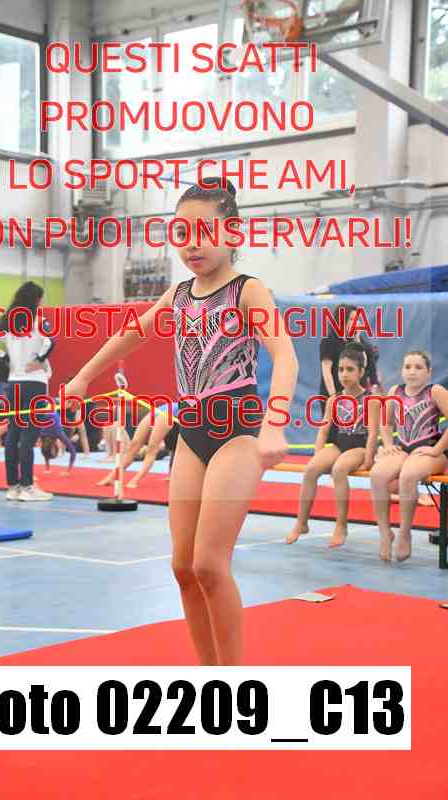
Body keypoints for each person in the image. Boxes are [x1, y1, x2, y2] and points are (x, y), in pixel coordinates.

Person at [65, 178, 298, 666]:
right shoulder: (179, 294)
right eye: (182, 232)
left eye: (204, 231)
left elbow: (285, 356)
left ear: (232, 233)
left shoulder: (248, 291)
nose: (192, 243)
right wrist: (83, 376)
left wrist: (275, 425)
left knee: (210, 564)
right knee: (183, 567)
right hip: (191, 433)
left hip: (237, 432)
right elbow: (132, 335)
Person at [287, 344, 380, 548]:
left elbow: (374, 432)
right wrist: (318, 455)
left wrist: (368, 459)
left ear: (361, 372)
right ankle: (301, 522)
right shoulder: (334, 400)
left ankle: (341, 525)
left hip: (359, 447)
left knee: (339, 469)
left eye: (350, 369)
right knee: (311, 470)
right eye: (341, 369)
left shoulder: (371, 400)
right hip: (339, 445)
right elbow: (323, 431)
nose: (344, 374)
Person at [0, 281, 55, 501]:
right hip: (35, 384)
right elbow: (51, 341)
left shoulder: (8, 321)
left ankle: (13, 486)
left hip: (14, 384)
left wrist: (5, 357)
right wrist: (39, 359)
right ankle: (28, 486)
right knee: (29, 436)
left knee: (13, 434)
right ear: (36, 299)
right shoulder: (39, 320)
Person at [370, 350, 448, 562]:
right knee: (377, 475)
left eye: (418, 367)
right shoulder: (395, 391)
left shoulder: (435, 391)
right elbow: (386, 423)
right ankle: (385, 533)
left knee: (408, 476)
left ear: (429, 372)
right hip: (404, 448)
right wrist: (388, 445)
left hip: (430, 449)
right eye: (407, 367)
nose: (412, 372)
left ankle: (405, 533)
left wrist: (437, 449)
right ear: (401, 370)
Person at [97, 402, 179, 489]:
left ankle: (135, 480)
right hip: (159, 410)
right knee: (133, 446)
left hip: (168, 414)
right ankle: (111, 477)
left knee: (152, 448)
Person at [319, 304, 381, 414]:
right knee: (333, 423)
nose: (355, 323)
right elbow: (326, 370)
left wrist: (357, 339)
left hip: (356, 395)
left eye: (357, 320)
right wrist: (333, 396)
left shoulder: (361, 343)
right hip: (334, 391)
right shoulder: (329, 341)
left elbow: (366, 365)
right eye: (351, 319)